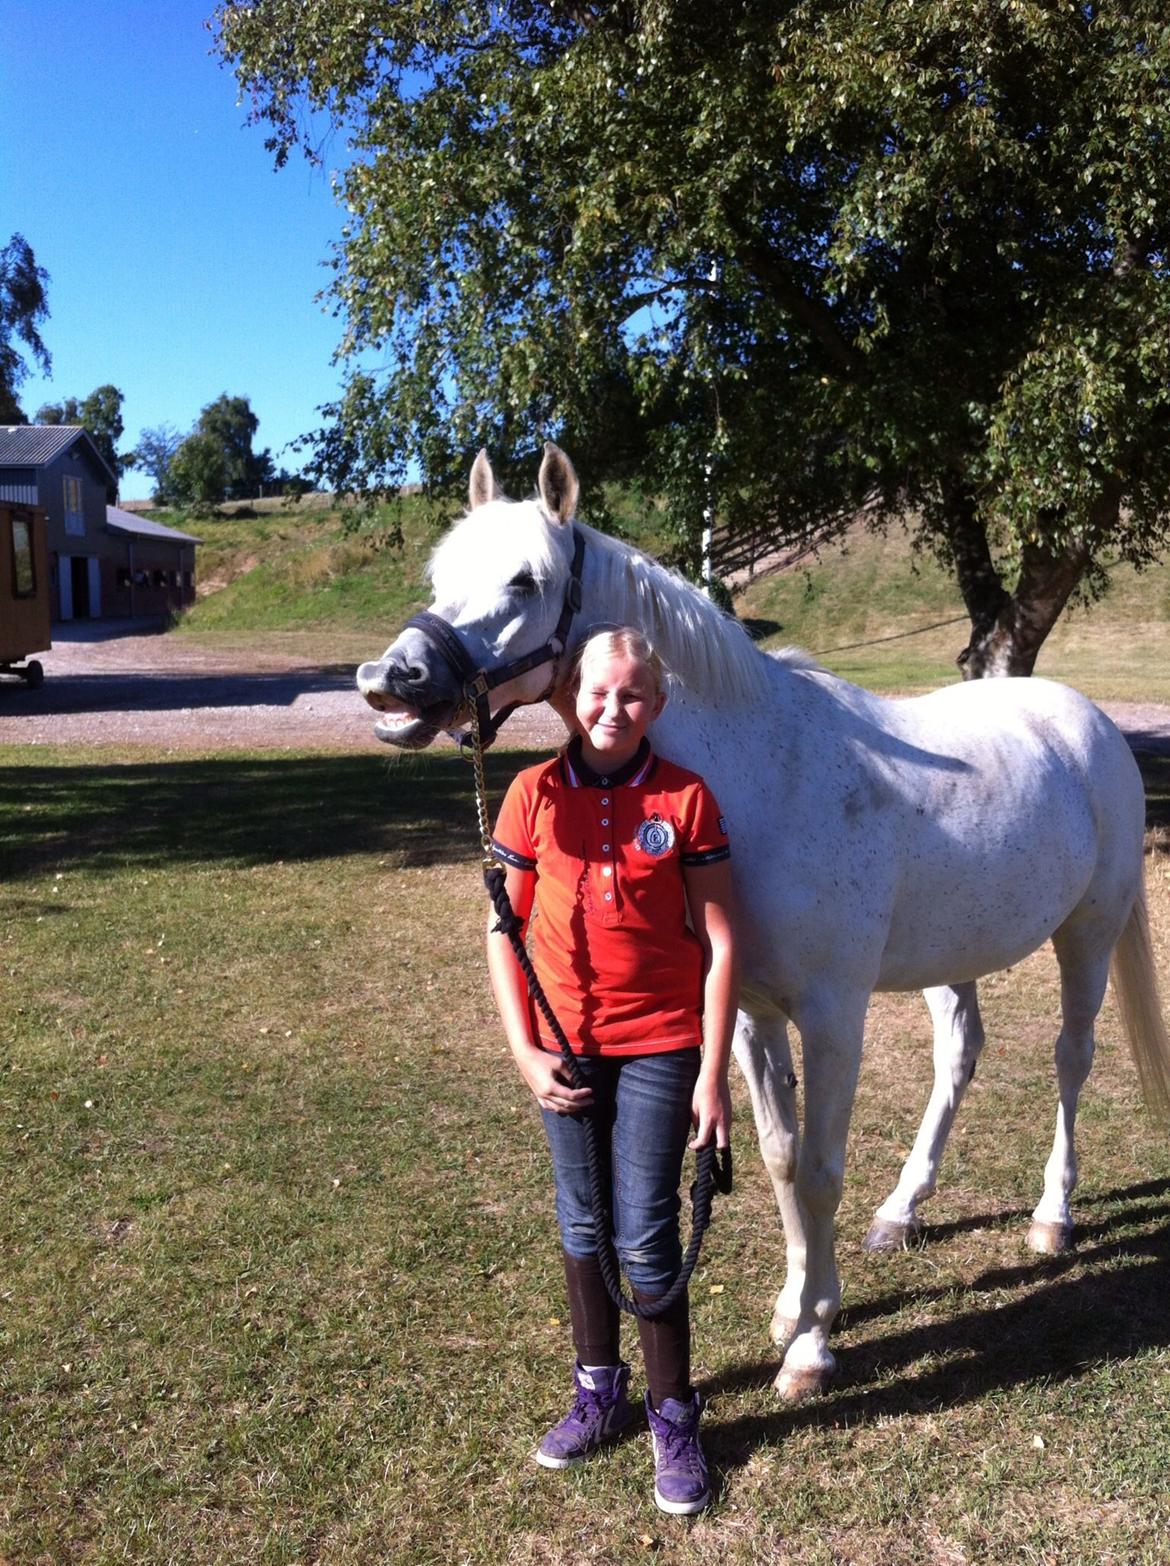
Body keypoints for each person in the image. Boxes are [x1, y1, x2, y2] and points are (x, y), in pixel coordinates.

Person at [486, 626, 738, 1516]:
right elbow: (504, 933)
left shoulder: (686, 796)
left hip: (663, 1042)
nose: (612, 708)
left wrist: (713, 1071)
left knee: (645, 1230)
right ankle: (601, 1391)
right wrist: (525, 1051)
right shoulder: (531, 795)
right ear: (570, 697)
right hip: (563, 1045)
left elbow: (719, 938)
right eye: (598, 692)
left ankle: (674, 1413)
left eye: (632, 695)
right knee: (581, 1220)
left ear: (657, 706)